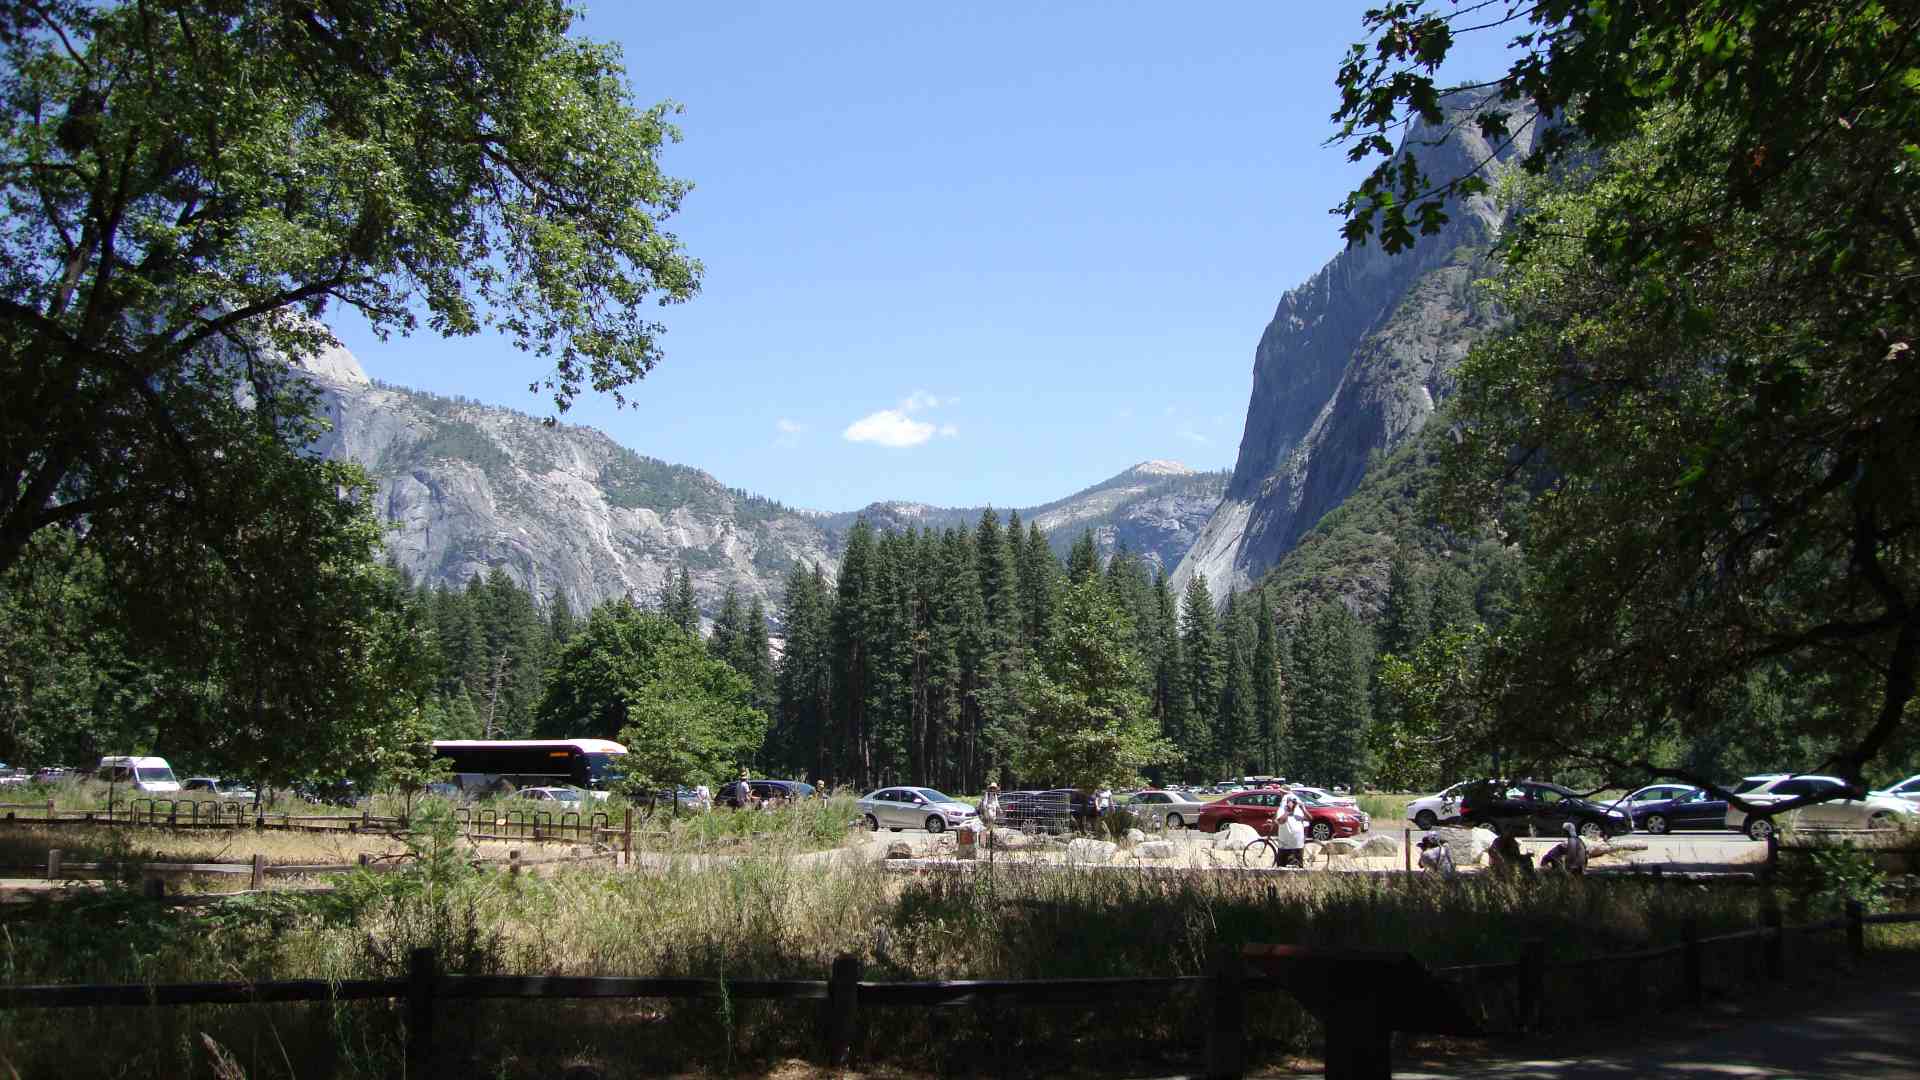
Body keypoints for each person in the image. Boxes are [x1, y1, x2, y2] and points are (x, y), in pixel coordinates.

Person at [1272, 790, 1310, 868]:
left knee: (1298, 868)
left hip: (1297, 845)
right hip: (1284, 845)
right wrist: (1288, 811)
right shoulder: (1282, 810)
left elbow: (1310, 818)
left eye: (1293, 803)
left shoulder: (1299, 811)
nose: (1292, 804)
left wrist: (1303, 809)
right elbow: (1281, 821)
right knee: (1282, 868)